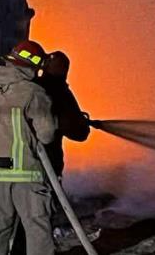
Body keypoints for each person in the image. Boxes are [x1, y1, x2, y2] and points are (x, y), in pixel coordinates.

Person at [10, 50, 95, 255]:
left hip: (19, 161)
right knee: (39, 215)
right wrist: (76, 122)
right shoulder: (60, 94)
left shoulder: (30, 88)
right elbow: (79, 133)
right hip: (46, 165)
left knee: (21, 214)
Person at [0, 40, 58, 255]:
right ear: (31, 66)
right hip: (27, 175)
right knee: (37, 231)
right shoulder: (33, 93)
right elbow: (47, 134)